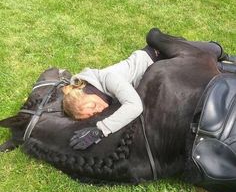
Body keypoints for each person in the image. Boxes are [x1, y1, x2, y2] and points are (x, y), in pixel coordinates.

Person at [63, 28, 230, 150]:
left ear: (86, 92)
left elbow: (134, 106)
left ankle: (217, 50)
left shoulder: (109, 79)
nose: (100, 109)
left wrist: (100, 130)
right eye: (92, 114)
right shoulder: (99, 92)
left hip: (158, 55)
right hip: (160, 72)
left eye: (92, 106)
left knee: (210, 52)